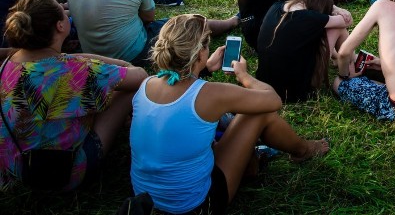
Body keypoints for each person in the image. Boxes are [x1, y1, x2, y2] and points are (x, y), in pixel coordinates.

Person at [129, 14, 329, 215]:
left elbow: (181, 92)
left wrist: (204, 68)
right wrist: (244, 76)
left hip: (148, 201)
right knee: (257, 114)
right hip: (195, 206)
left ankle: (252, 161)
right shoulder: (211, 94)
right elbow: (272, 100)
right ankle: (303, 151)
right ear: (200, 54)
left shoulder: (146, 84)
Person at [0, 0, 146, 191]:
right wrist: (123, 64)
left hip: (15, 165)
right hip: (63, 172)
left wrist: (71, 57)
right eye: (61, 8)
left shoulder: (9, 63)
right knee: (126, 90)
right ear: (61, 26)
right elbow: (139, 76)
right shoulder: (74, 71)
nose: (63, 6)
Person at [256, 0, 350, 103]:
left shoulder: (276, 6)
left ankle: (339, 58)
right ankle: (348, 70)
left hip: (264, 83)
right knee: (338, 28)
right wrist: (337, 9)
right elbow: (347, 21)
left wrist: (333, 7)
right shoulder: (311, 18)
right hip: (294, 92)